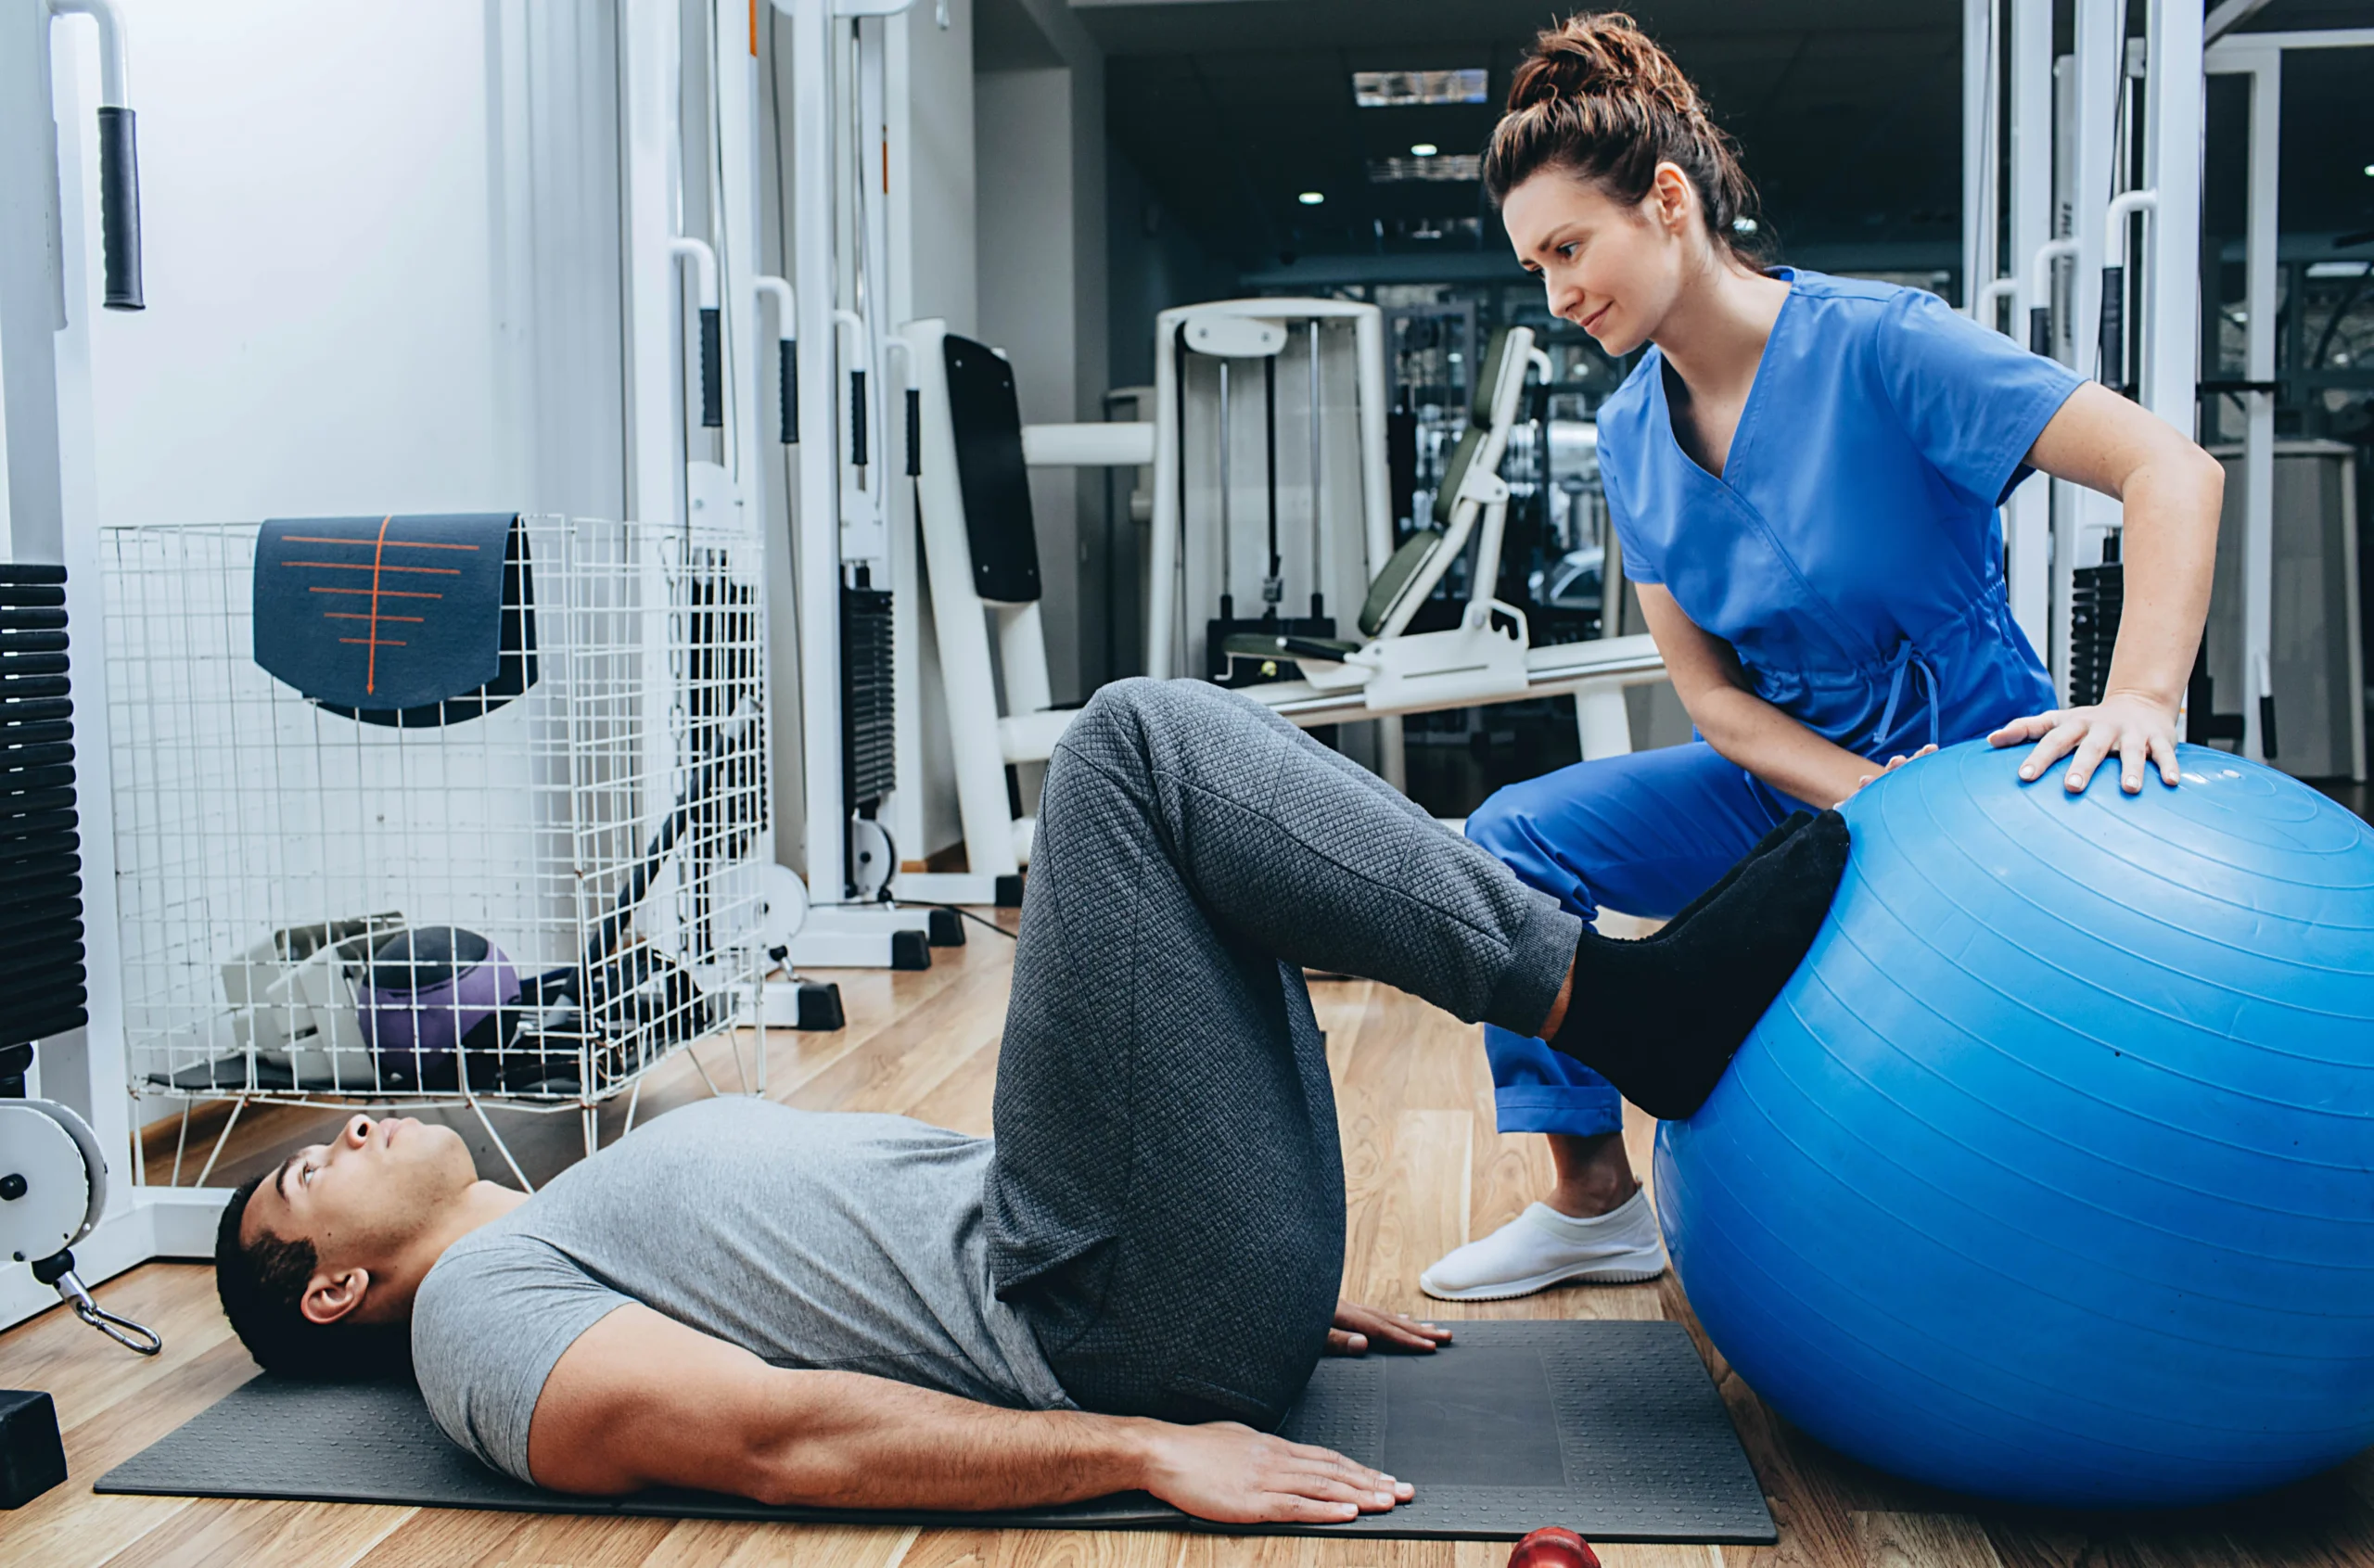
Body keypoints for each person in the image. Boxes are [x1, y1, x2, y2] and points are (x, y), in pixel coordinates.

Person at [214, 678, 1848, 1524]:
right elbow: (784, 1443)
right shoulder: (478, 1325)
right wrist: (1142, 1443)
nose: (348, 1129)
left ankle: (1604, 993)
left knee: (1199, 841)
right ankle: (1622, 1006)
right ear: (341, 1286)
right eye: (306, 1181)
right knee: (1129, 749)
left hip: (1148, 1263)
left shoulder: (571, 1204)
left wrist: (1239, 1232)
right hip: (1106, 1326)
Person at [1418, 10, 2224, 1305]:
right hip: (1790, 778)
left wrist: (2139, 696)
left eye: (1570, 247)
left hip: (1979, 768)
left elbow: (2171, 469)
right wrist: (1863, 795)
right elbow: (1713, 702)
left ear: (1667, 200)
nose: (1559, 294)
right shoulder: (1632, 438)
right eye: (1536, 268)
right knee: (1506, 839)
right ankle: (1592, 1203)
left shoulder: (1885, 345)